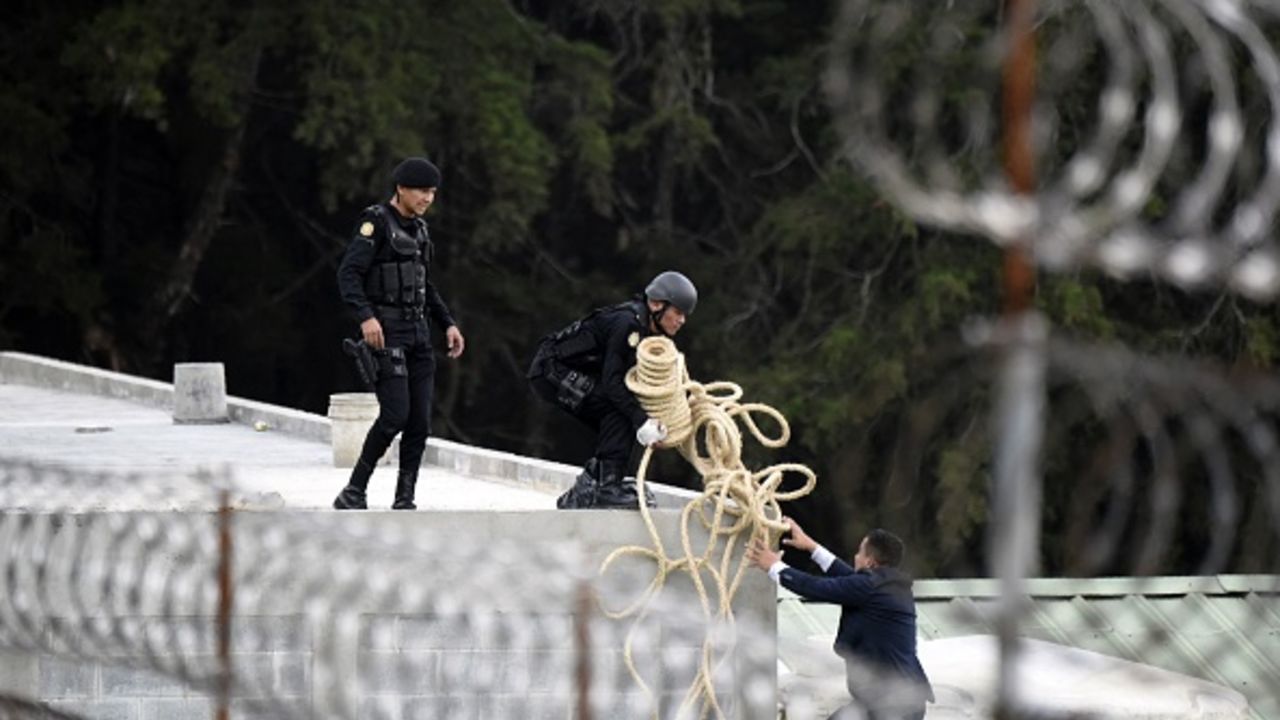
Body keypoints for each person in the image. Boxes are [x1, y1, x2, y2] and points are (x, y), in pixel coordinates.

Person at [332, 157, 465, 511]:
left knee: (419, 422)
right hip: (386, 334)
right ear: (401, 189)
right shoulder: (375, 224)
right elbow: (348, 275)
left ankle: (405, 497)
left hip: (419, 334)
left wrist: (447, 323)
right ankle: (354, 490)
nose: (427, 199)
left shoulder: (420, 230)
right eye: (422, 191)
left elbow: (425, 284)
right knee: (395, 416)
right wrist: (365, 317)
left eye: (433, 193)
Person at [527, 271, 697, 509]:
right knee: (617, 409)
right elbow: (612, 384)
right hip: (550, 370)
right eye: (678, 313)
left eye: (685, 316)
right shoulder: (628, 325)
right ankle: (606, 488)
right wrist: (642, 421)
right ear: (657, 304)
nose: (681, 321)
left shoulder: (648, 331)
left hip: (568, 370)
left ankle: (593, 482)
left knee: (626, 410)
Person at [748, 518, 933, 720]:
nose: (855, 556)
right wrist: (811, 547)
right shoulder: (886, 585)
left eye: (860, 552)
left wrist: (773, 566)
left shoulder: (869, 587)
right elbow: (847, 576)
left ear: (870, 562)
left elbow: (815, 587)